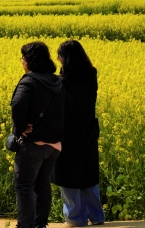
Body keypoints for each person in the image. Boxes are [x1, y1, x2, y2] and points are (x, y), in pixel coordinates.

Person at [11, 41, 67, 228]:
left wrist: (20, 129)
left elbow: (17, 105)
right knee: (42, 185)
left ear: (29, 61)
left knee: (24, 185)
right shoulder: (57, 81)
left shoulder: (29, 81)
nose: (21, 61)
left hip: (33, 144)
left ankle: (26, 226)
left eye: (23, 57)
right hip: (54, 145)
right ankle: (40, 224)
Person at [54, 40, 105, 226]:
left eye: (59, 55)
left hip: (69, 134)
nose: (57, 59)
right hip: (89, 130)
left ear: (65, 59)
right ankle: (97, 216)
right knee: (89, 174)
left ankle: (75, 219)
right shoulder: (91, 74)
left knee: (69, 177)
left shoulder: (62, 82)